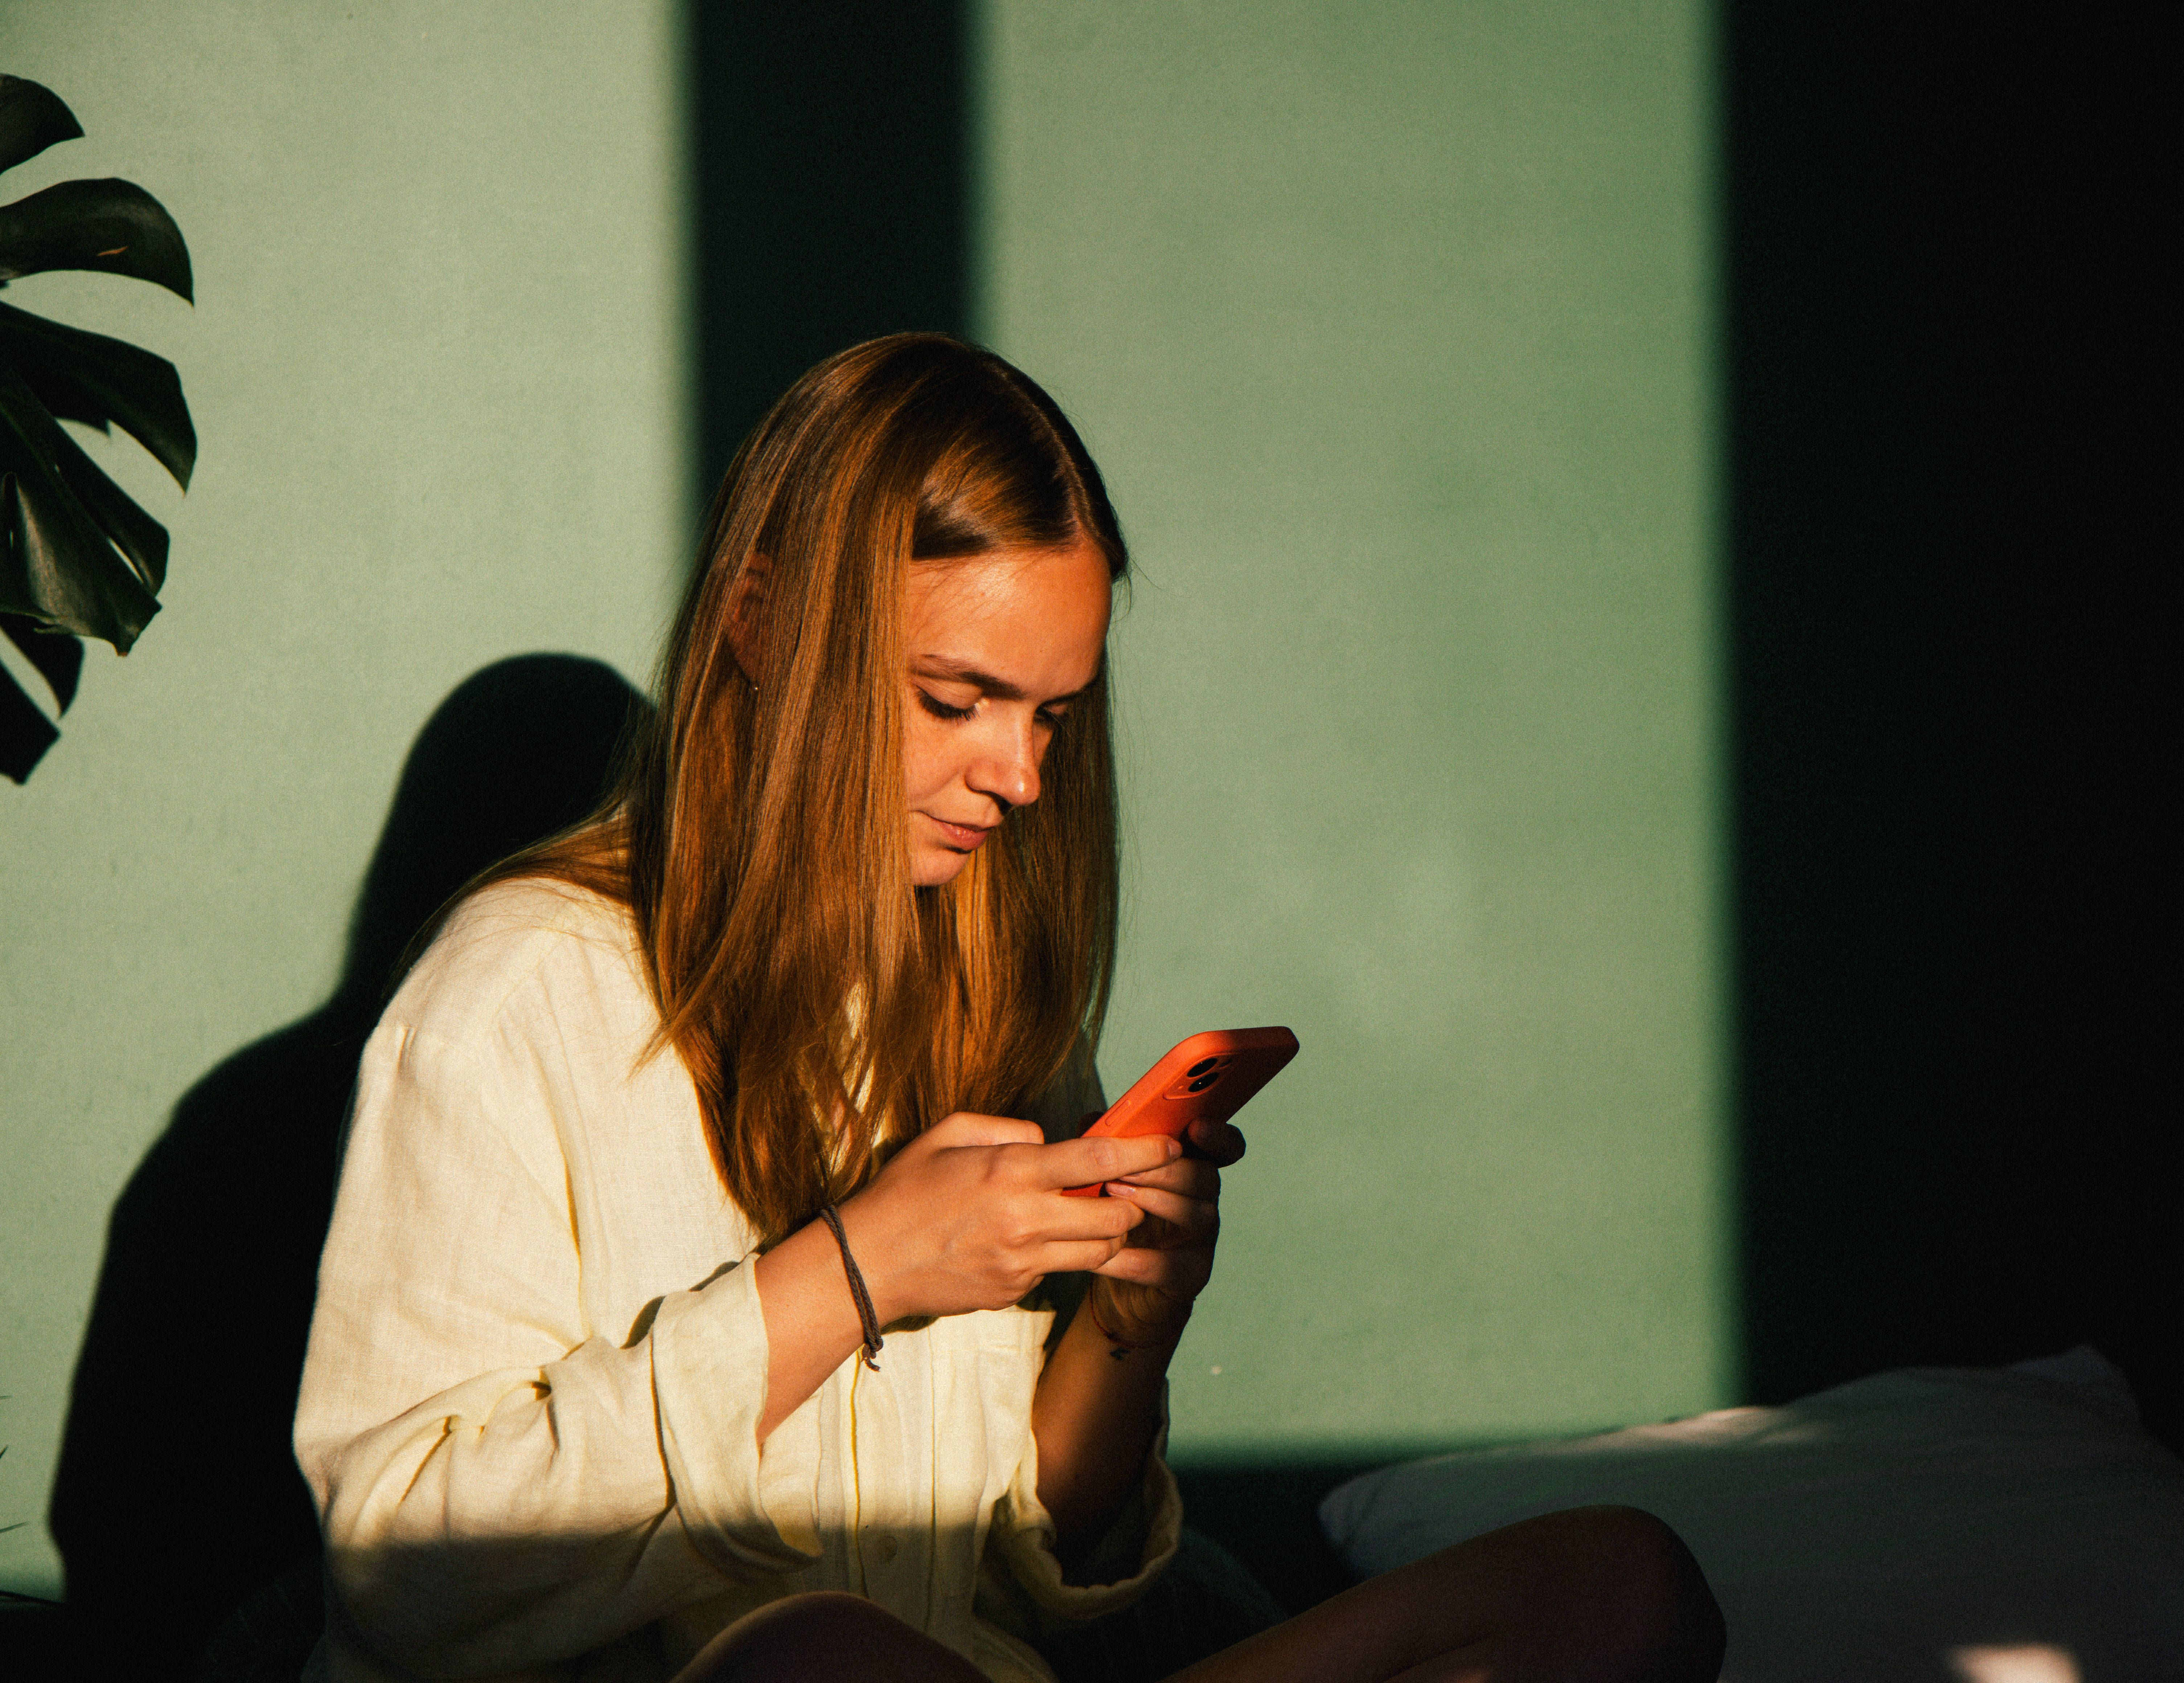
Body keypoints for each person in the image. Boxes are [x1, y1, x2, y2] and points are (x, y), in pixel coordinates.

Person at [295, 334, 1726, 1683]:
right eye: (956, 699)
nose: (1023, 776)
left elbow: (1033, 1578)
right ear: (759, 622)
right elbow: (403, 1566)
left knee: (1619, 1583)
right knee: (816, 1660)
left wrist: (1129, 1321)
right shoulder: (521, 988)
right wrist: (856, 1271)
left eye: (1050, 713)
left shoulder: (983, 998)